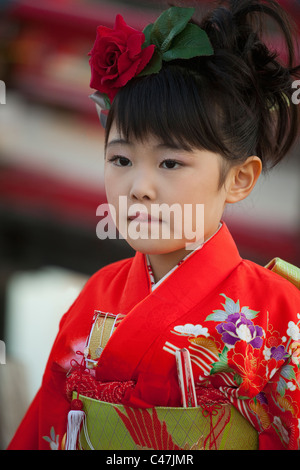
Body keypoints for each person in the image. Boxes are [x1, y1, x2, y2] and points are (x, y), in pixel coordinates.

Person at [7, 0, 300, 450]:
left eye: (170, 162)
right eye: (121, 159)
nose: (139, 187)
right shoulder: (94, 299)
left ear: (239, 178)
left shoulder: (283, 314)